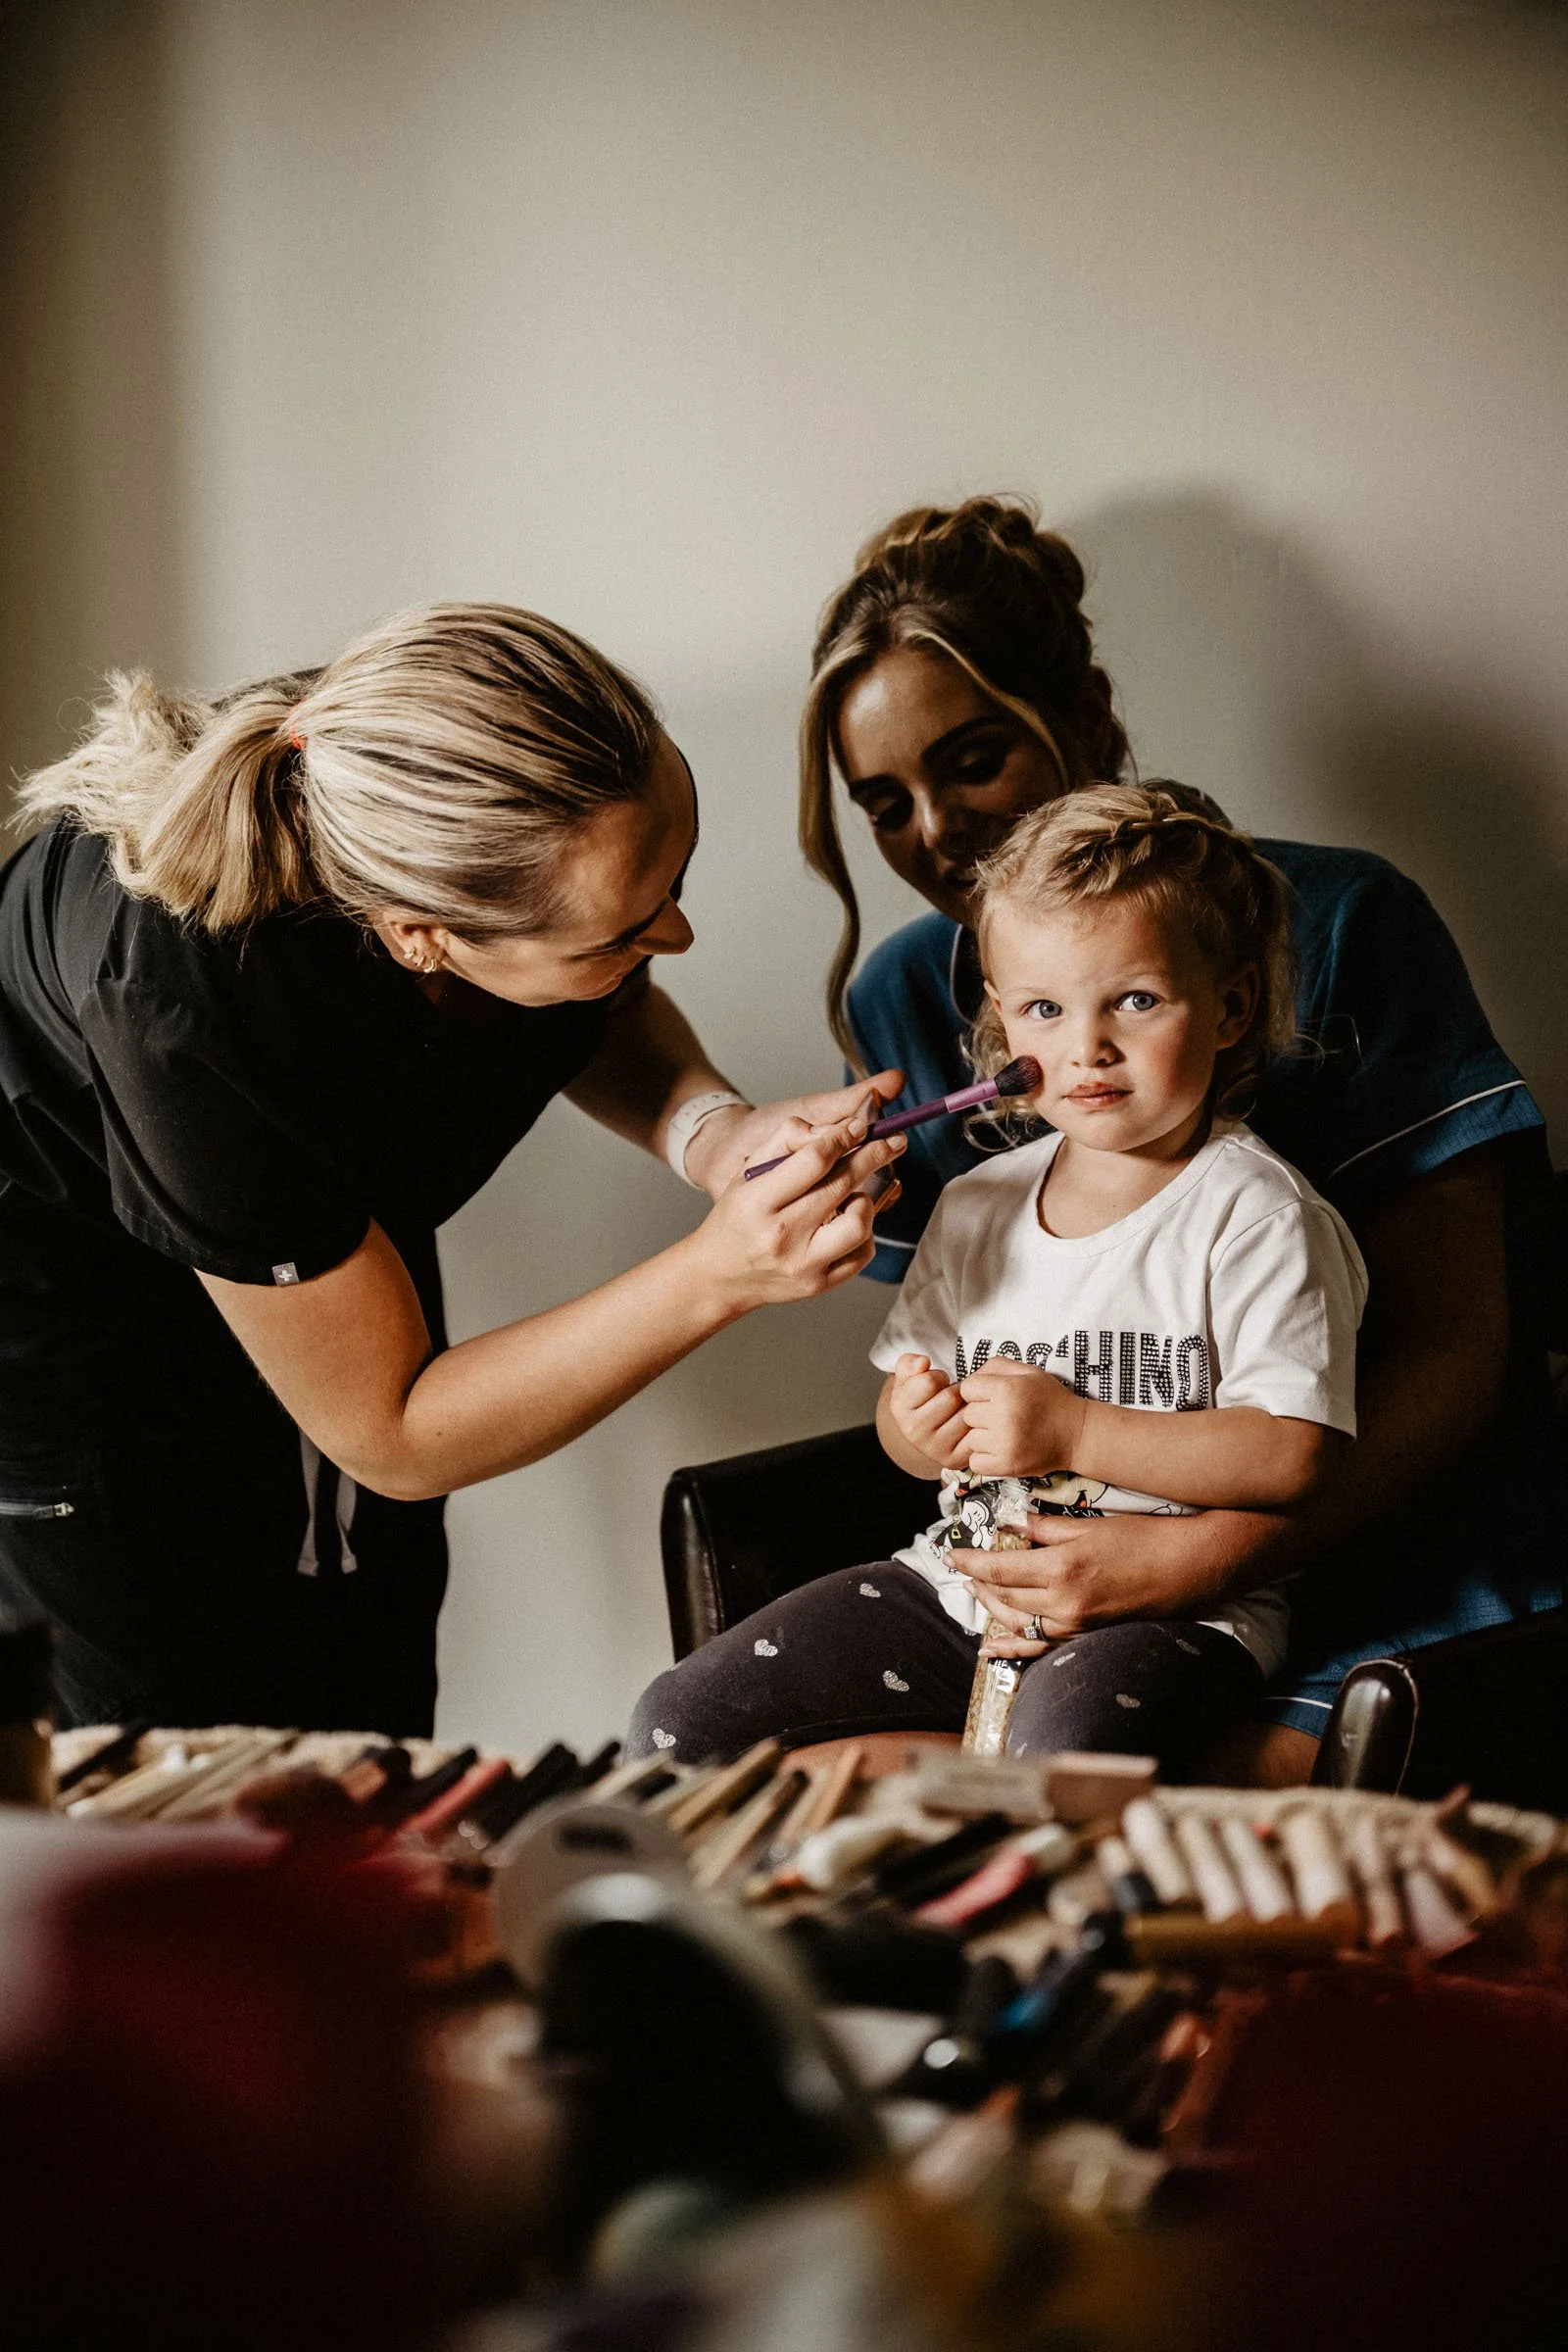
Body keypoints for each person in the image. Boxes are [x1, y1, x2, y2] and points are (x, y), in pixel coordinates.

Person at [0, 605, 906, 1732]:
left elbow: (596, 1004)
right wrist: (718, 1273)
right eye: (625, 931)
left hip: (301, 1217)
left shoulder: (438, 774)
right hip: (75, 1332)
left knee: (368, 1679)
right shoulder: (190, 1010)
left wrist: (713, 1134)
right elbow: (395, 1434)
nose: (674, 940)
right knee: (182, 1755)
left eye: (673, 882)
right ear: (417, 935)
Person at [795, 496, 1561, 1783]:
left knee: (1175, 1814)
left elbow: (1458, 1349)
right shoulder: (902, 1003)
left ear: (1084, 706)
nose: (931, 835)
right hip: (1073, 1599)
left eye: (972, 760)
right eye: (882, 803)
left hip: (1395, 1548)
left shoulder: (1344, 924)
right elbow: (957, 1389)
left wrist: (1204, 1558)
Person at [628, 785, 1367, 1769]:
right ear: (1002, 1024)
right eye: (1045, 1009)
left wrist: (1076, 1430)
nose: (1086, 1046)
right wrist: (917, 1426)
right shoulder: (976, 1207)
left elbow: (1291, 1456)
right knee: (680, 1722)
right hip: (958, 1591)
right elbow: (908, 1435)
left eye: (1135, 1001)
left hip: (1170, 1613)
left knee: (1061, 1759)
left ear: (1228, 1008)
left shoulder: (1255, 1216)